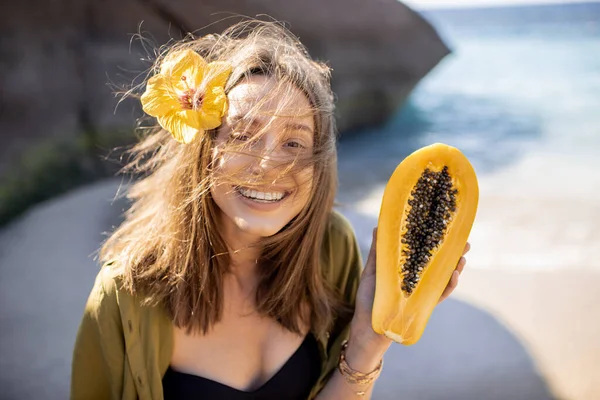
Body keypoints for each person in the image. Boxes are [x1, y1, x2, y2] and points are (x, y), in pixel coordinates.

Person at [70, 20, 470, 400]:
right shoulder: (124, 294)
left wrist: (368, 343)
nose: (267, 166)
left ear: (319, 164)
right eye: (243, 136)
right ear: (203, 152)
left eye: (294, 144)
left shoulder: (331, 250)